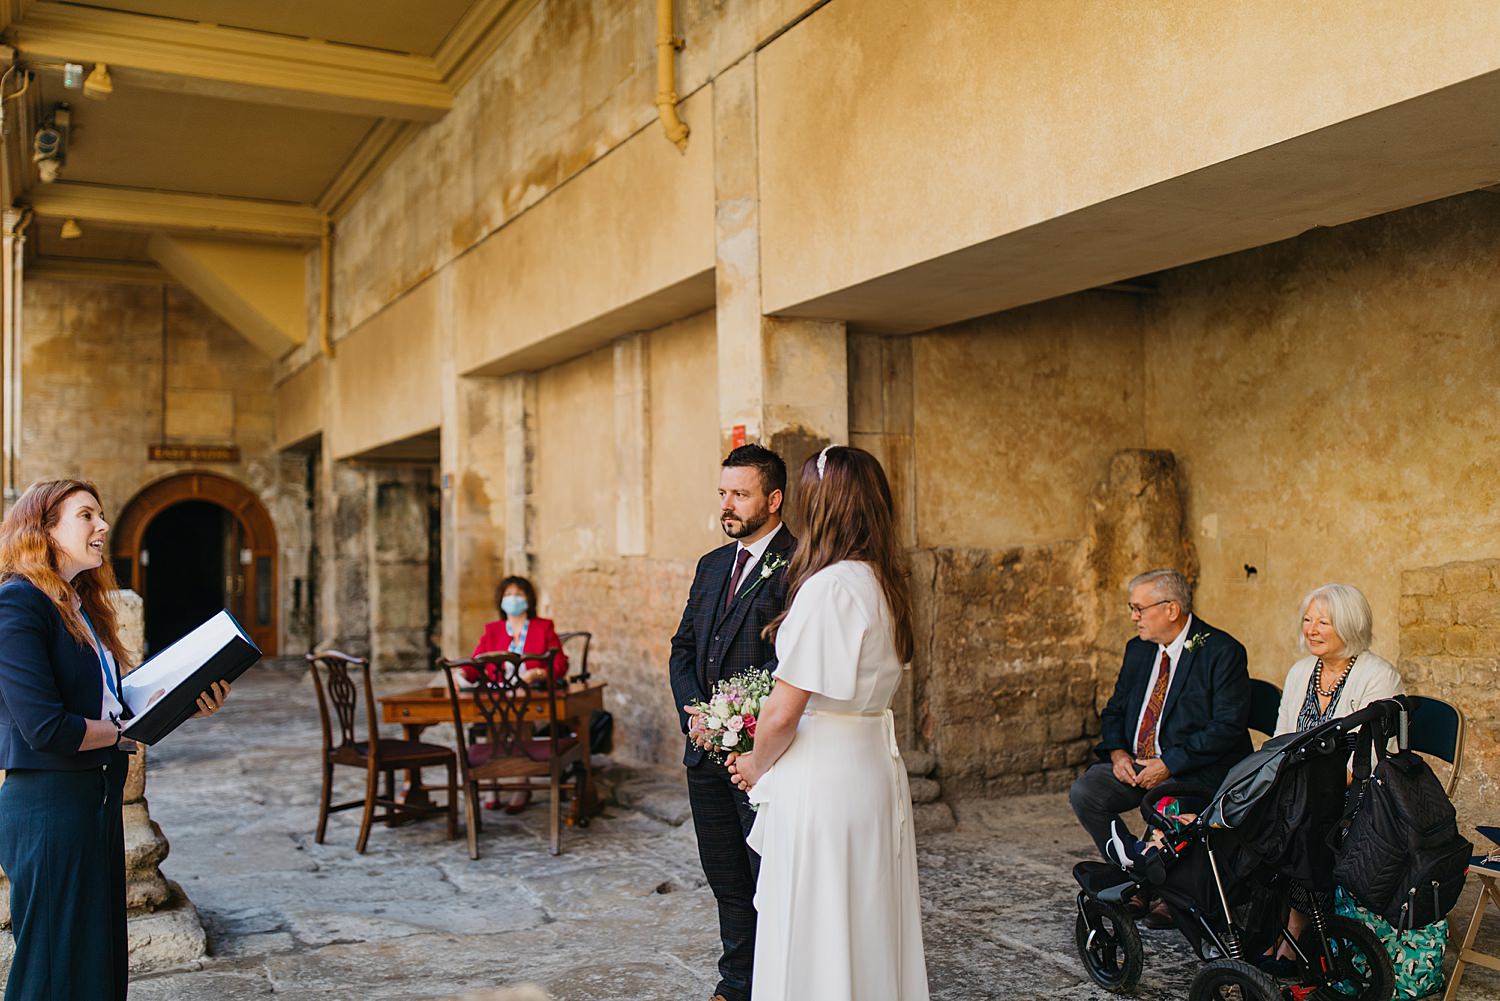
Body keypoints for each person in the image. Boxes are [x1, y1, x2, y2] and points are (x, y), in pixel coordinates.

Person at [0, 479, 229, 1001]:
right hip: (48, 808)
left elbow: (112, 709)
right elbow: (46, 727)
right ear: (44, 529)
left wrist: (185, 702)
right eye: (86, 515)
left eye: (100, 515)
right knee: (52, 971)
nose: (102, 526)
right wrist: (127, 730)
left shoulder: (79, 607)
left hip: (93, 800)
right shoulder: (18, 603)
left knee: (96, 966)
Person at [727, 444, 929, 1001]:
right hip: (869, 766)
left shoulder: (828, 587)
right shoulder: (885, 581)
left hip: (824, 775)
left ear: (824, 507)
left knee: (816, 917)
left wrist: (753, 763)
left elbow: (785, 708)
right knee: (864, 912)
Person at [668, 443, 796, 1001]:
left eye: (740, 494)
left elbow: (788, 662)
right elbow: (683, 648)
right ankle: (735, 984)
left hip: (762, 757)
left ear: (774, 498)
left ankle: (777, 982)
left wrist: (739, 728)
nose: (728, 505)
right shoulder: (712, 564)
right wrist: (697, 716)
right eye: (723, 493)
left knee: (769, 877)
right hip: (704, 751)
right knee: (726, 878)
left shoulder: (800, 563)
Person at [1069, 568, 1251, 929]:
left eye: (1139, 608)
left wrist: (1168, 763)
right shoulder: (1138, 650)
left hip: (1193, 768)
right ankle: (1138, 872)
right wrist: (1118, 753)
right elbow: (1116, 709)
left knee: (1169, 803)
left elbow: (1226, 728)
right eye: (1132, 608)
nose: (1133, 617)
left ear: (1171, 609)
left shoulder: (1221, 651)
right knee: (1087, 791)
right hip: (1137, 764)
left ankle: (1170, 888)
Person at [1262, 582, 1414, 981]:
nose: (1311, 628)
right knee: (1255, 813)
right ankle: (1266, 923)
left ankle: (1294, 932)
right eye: (1308, 619)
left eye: (1323, 621)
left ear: (1349, 625)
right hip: (1300, 788)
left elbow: (1373, 758)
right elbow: (1281, 739)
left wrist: (1308, 793)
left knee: (1302, 824)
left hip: (1359, 792)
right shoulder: (1300, 673)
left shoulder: (1377, 675)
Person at [460, 575, 569, 813]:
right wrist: (460, 676)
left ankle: (522, 784)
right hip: (496, 696)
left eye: (518, 594)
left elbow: (560, 664)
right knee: (493, 723)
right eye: (508, 595)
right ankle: (491, 784)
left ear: (528, 599)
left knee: (521, 724)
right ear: (500, 600)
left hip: (530, 696)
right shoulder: (492, 630)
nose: (513, 599)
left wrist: (538, 672)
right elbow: (473, 664)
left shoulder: (543, 627)